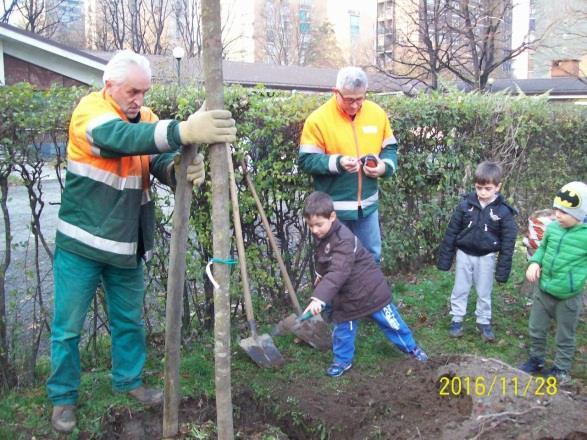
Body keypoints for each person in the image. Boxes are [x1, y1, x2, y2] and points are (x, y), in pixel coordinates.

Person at [47, 50, 237, 433]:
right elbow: (120, 140)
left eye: (144, 92)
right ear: (109, 86)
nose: (139, 100)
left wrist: (179, 169)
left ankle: (129, 381)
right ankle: (63, 397)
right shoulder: (91, 112)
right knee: (67, 327)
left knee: (129, 321)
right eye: (133, 92)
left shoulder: (145, 118)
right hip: (82, 244)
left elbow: (151, 161)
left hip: (126, 244)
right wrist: (182, 131)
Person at [301, 191, 427, 378]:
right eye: (311, 225)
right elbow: (323, 260)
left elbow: (338, 271)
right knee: (343, 330)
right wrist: (319, 276)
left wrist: (319, 298)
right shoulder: (324, 236)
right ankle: (342, 361)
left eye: (318, 225)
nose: (314, 230)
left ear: (332, 217)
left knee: (392, 324)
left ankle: (412, 349)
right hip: (347, 297)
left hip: (371, 292)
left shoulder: (344, 239)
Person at [298, 66, 397, 265]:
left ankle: (370, 297)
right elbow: (306, 160)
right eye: (349, 99)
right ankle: (340, 298)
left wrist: (384, 167)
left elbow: (390, 148)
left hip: (368, 208)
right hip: (334, 212)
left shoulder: (377, 114)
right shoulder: (318, 120)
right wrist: (338, 162)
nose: (355, 105)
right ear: (336, 92)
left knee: (371, 258)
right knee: (337, 264)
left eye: (360, 99)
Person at [437, 161, 517, 342]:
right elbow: (452, 232)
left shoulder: (503, 212)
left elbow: (509, 241)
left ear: (498, 187)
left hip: (487, 257)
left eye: (488, 188)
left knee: (484, 291)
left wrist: (503, 270)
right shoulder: (465, 205)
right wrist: (445, 260)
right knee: (460, 288)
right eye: (479, 188)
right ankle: (457, 319)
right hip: (464, 255)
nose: (482, 192)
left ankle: (483, 321)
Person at [519, 181, 587, 385]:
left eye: (564, 212)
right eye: (557, 209)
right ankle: (536, 359)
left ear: (581, 214)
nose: (557, 215)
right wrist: (534, 262)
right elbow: (542, 249)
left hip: (568, 297)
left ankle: (561, 369)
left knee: (565, 335)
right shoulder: (553, 229)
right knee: (536, 328)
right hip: (544, 289)